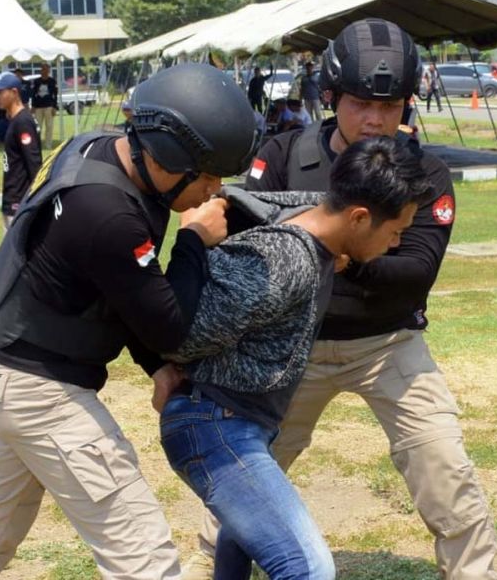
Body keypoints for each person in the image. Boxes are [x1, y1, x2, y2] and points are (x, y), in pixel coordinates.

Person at [185, 19, 497, 580]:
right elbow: (244, 247)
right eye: (360, 103)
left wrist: (324, 248)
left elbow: (415, 273)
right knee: (247, 474)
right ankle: (214, 566)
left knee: (444, 468)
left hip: (388, 343)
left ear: (409, 102)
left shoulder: (422, 172)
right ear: (331, 98)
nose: (376, 118)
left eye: (391, 103)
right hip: (293, 347)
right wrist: (347, 249)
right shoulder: (282, 154)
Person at [0, 63, 260, 580]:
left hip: (5, 367)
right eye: (206, 176)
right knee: (142, 552)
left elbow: (121, 289)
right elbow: (166, 325)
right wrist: (195, 242)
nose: (213, 190)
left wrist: (154, 366)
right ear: (167, 157)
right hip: (40, 389)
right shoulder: (107, 211)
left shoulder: (98, 150)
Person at [161, 136, 432, 580]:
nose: (397, 243)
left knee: (241, 541)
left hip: (239, 423)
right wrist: (191, 241)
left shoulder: (320, 223)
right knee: (308, 568)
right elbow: (180, 336)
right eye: (395, 231)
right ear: (360, 218)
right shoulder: (286, 258)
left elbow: (297, 201)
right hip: (216, 427)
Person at [0, 71, 42, 231]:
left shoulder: (23, 122)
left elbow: (34, 164)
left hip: (19, 201)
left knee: (16, 253)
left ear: (14, 92)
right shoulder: (13, 120)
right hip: (11, 197)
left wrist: (36, 200)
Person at [31, 62, 59, 150]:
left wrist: (54, 107)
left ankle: (48, 145)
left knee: (49, 127)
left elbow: (55, 95)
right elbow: (33, 94)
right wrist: (33, 106)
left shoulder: (52, 81)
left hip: (49, 106)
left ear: (49, 71)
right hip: (38, 107)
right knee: (37, 127)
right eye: (43, 69)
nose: (45, 71)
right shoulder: (36, 81)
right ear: (41, 70)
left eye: (47, 69)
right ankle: (37, 145)